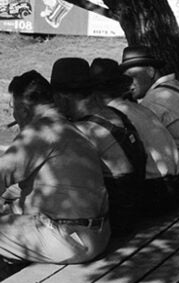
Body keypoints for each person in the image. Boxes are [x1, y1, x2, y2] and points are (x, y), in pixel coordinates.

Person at [0, 70, 110, 277]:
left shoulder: (38, 133)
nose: (15, 116)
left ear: (23, 109)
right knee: (10, 211)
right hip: (97, 235)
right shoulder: (71, 129)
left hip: (70, 240)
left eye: (14, 109)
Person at [51, 57, 147, 234]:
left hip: (117, 220)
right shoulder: (114, 113)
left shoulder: (81, 131)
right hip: (137, 207)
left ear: (61, 99)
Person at [90, 56, 179, 211]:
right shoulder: (139, 108)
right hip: (176, 184)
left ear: (94, 93)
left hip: (154, 192)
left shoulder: (112, 117)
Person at [119, 45, 179, 185]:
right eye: (125, 79)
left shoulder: (154, 101)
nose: (129, 85)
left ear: (150, 71)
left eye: (132, 77)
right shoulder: (174, 86)